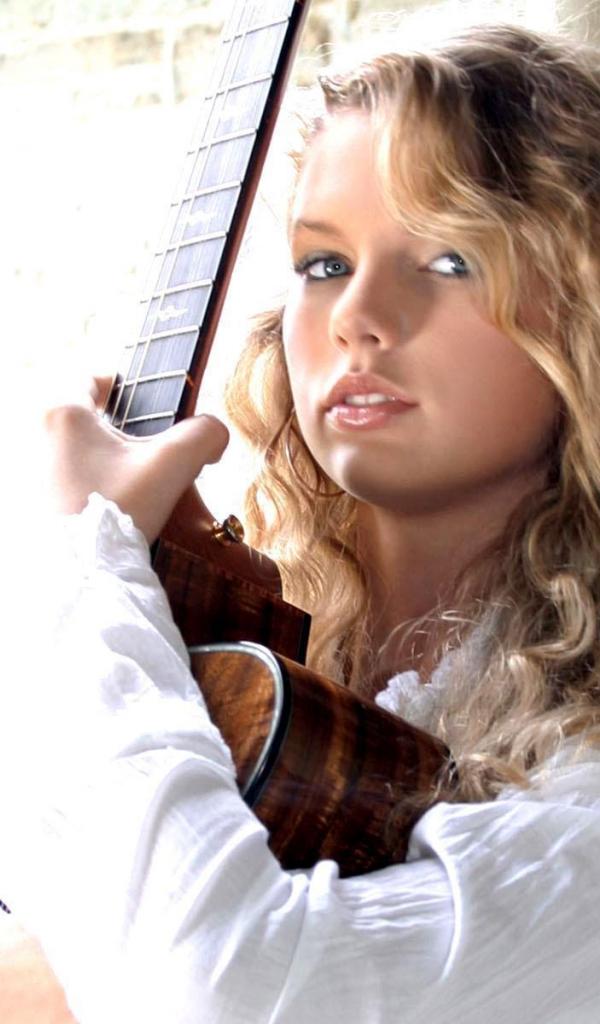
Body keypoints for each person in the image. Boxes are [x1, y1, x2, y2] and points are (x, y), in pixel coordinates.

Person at [3, 19, 600, 1023]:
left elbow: (221, 990)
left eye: (449, 257)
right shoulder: (245, 671)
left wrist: (83, 566)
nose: (358, 316)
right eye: (324, 264)